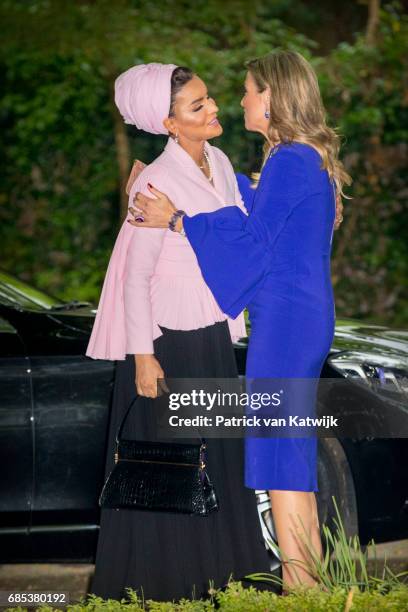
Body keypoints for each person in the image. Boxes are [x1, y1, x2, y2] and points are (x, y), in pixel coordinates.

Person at [128, 50, 351, 591]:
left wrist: (178, 216)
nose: (243, 99)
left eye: (250, 90)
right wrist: (241, 190)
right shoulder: (294, 157)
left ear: (272, 97)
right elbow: (264, 218)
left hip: (289, 320)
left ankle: (303, 585)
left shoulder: (293, 159)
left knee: (280, 450)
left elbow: (253, 244)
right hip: (296, 314)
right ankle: (308, 582)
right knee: (285, 449)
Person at [85, 63, 272, 603]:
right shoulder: (154, 182)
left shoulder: (218, 159)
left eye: (209, 98)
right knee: (168, 473)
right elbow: (135, 279)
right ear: (168, 122)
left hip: (211, 333)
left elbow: (235, 228)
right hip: (167, 343)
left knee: (217, 462)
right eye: (197, 105)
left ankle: (224, 582)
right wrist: (143, 356)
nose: (213, 108)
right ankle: (162, 586)